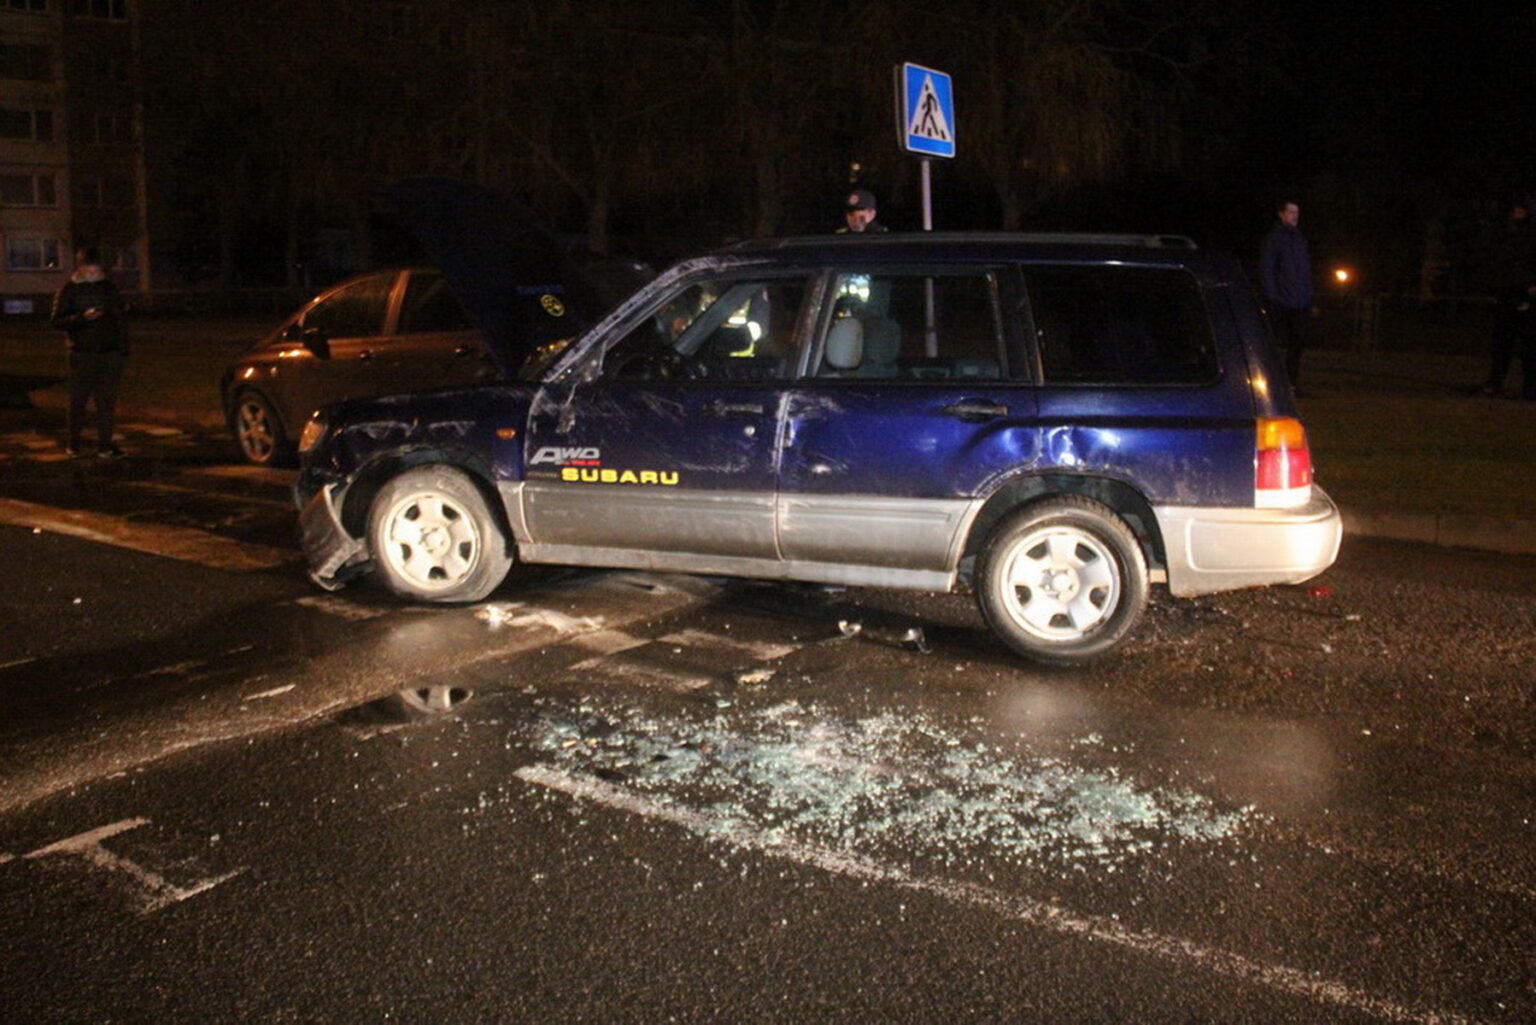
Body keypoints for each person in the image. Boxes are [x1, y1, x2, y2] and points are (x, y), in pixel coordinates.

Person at [51, 246, 129, 457]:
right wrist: (81, 318)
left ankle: (105, 444)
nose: (93, 276)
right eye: (88, 272)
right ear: (80, 269)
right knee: (78, 400)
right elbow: (56, 321)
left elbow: (120, 319)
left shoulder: (109, 288)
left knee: (106, 402)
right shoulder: (69, 289)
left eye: (96, 272)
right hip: (82, 354)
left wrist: (122, 349)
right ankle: (73, 442)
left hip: (109, 353)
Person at [1479, 198, 1536, 399]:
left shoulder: (1530, 236)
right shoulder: (1504, 236)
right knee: (1503, 341)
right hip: (1507, 293)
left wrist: (1530, 285)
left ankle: (1530, 386)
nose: (1516, 213)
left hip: (1526, 293)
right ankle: (1496, 382)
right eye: (1515, 209)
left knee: (1529, 344)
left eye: (1521, 209)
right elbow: (1498, 264)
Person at [1259, 199, 1314, 392]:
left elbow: (1305, 268)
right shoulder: (1274, 238)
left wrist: (1307, 294)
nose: (1295, 216)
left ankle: (1291, 382)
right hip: (1280, 301)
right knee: (1274, 344)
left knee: (1297, 342)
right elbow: (1267, 268)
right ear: (1281, 214)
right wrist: (1272, 296)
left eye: (1296, 212)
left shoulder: (1300, 239)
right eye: (1291, 212)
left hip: (1299, 301)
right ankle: (1272, 383)